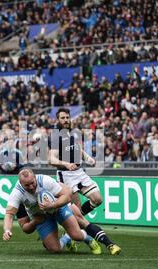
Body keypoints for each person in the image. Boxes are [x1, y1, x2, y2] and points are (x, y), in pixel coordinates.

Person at [48, 108, 121, 255]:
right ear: (58, 120)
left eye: (67, 117)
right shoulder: (56, 137)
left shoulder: (73, 134)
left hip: (79, 172)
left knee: (97, 199)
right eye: (62, 118)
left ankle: (71, 231)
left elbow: (78, 150)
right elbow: (50, 159)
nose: (66, 120)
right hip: (66, 175)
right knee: (77, 210)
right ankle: (74, 232)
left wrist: (88, 158)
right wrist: (67, 164)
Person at [2, 169, 101, 254]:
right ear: (20, 183)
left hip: (57, 208)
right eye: (27, 185)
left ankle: (89, 240)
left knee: (77, 236)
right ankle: (67, 239)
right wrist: (7, 230)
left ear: (35, 178)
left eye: (32, 183)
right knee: (55, 249)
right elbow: (9, 215)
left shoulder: (45, 180)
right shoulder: (17, 193)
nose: (31, 187)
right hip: (41, 217)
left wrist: (52, 205)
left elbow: (66, 197)